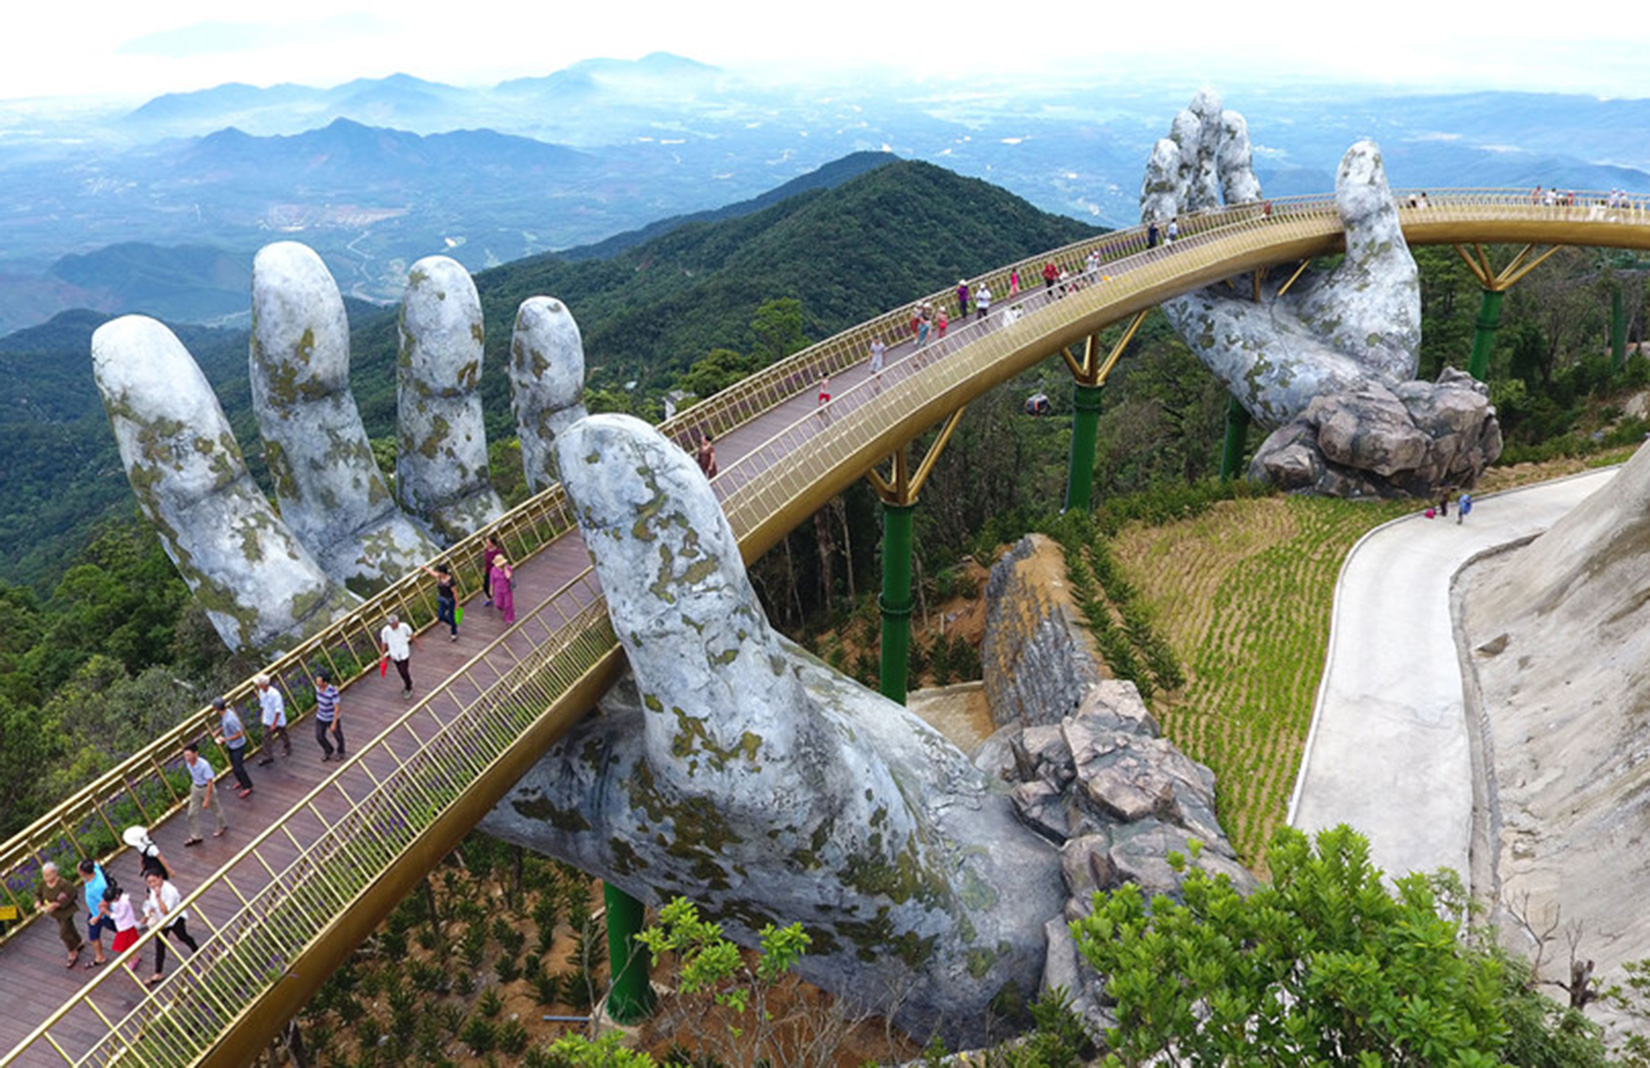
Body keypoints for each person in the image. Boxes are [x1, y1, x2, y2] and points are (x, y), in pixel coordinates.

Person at [143, 869, 199, 985]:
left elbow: (166, 911)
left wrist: (158, 897)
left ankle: (195, 948)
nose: (152, 885)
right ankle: (158, 972)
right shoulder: (154, 890)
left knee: (182, 936)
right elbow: (152, 904)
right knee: (160, 945)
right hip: (162, 922)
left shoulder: (170, 891)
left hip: (174, 919)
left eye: (154, 881)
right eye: (149, 882)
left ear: (160, 878)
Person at [36, 861, 84, 968]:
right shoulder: (43, 884)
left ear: (55, 873)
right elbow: (38, 894)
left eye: (48, 875)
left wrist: (58, 904)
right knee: (69, 927)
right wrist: (38, 901)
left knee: (64, 932)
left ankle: (72, 950)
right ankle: (78, 941)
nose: (46, 877)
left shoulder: (63, 884)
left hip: (66, 911)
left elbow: (73, 895)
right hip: (55, 913)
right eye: (44, 875)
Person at [181, 743, 226, 844]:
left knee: (216, 809)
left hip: (206, 788)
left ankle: (221, 825)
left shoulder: (204, 765)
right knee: (191, 813)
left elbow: (210, 782)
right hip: (196, 787)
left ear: (195, 754)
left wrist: (206, 799)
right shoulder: (188, 764)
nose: (186, 758)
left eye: (188, 755)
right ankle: (196, 836)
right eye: (185, 756)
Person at [210, 697, 253, 798]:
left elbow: (239, 733)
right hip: (232, 745)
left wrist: (225, 739)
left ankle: (248, 786)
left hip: (237, 746)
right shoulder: (226, 713)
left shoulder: (230, 719)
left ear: (216, 708)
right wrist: (219, 730)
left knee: (238, 767)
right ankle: (241, 781)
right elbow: (226, 725)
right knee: (234, 766)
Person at [77, 859, 111, 966]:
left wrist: (98, 917)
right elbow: (97, 863)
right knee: (93, 934)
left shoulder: (97, 887)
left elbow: (105, 902)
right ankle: (99, 956)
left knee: (119, 929)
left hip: (102, 914)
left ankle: (133, 947)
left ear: (83, 872)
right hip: (94, 912)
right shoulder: (95, 870)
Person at [101, 881, 141, 969]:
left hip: (126, 926)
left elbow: (120, 916)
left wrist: (108, 913)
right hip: (124, 925)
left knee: (126, 945)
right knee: (130, 943)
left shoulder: (124, 903)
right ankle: (134, 956)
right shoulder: (120, 900)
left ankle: (133, 958)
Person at [253, 673, 290, 765]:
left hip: (277, 719)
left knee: (282, 734)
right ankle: (268, 756)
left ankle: (287, 747)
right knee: (265, 737)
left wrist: (274, 723)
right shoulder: (261, 692)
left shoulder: (275, 694)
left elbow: (278, 710)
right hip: (267, 718)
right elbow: (263, 704)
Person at [380, 612, 415, 697]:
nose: (396, 625)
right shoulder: (386, 631)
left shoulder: (404, 626)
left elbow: (411, 634)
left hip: (404, 652)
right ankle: (408, 682)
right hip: (394, 653)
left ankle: (408, 686)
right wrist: (382, 654)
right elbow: (384, 643)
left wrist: (416, 643)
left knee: (404, 670)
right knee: (400, 671)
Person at [423, 563, 460, 640]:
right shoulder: (440, 577)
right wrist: (425, 568)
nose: (439, 573)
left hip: (450, 600)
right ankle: (453, 625)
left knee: (451, 616)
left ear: (443, 572)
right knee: (441, 616)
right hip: (442, 599)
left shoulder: (450, 581)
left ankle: (454, 632)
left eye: (440, 572)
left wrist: (457, 604)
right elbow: (433, 573)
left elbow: (455, 593)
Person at [314, 670, 345, 761]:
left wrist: (334, 722)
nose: (317, 683)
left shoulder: (332, 691)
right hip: (321, 716)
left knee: (338, 735)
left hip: (331, 717)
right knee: (319, 735)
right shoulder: (317, 688)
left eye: (319, 681)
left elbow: (337, 707)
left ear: (325, 683)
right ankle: (328, 750)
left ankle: (341, 752)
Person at [491, 556, 516, 624]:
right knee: (498, 604)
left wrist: (505, 568)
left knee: (508, 604)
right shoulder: (493, 570)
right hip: (498, 590)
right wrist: (491, 590)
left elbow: (508, 577)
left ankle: (509, 618)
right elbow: (492, 581)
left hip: (507, 589)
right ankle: (504, 609)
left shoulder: (508, 568)